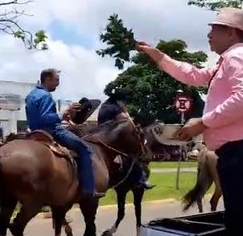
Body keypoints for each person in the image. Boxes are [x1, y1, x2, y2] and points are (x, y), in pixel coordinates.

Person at [136, 7, 243, 236]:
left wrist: (202, 123)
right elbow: (194, 75)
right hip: (241, 150)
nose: (209, 35)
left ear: (231, 32)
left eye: (214, 30)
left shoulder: (238, 58)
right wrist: (160, 57)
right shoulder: (229, 60)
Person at [25, 68, 102, 198]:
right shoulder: (45, 95)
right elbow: (45, 118)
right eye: (56, 80)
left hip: (34, 131)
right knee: (84, 149)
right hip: (52, 131)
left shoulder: (31, 95)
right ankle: (88, 189)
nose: (58, 84)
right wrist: (64, 113)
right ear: (47, 79)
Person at [98, 89, 153, 190]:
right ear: (120, 100)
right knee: (135, 155)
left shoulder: (104, 106)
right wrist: (126, 111)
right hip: (114, 138)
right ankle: (141, 180)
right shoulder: (115, 109)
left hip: (101, 135)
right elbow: (128, 122)